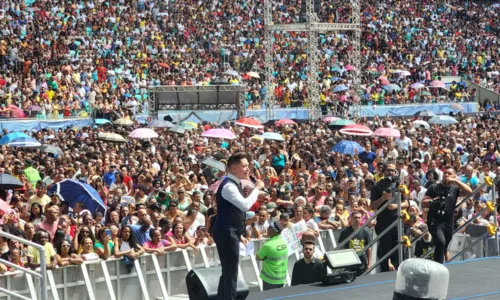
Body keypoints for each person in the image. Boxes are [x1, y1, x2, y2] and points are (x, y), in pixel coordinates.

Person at [213, 152, 265, 300]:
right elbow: (244, 206)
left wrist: (239, 233)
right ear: (234, 169)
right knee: (231, 274)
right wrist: (256, 188)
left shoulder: (235, 183)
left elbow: (233, 212)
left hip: (231, 232)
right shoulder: (229, 186)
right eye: (245, 166)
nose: (248, 169)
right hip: (226, 233)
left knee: (228, 273)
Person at [422, 167, 472, 263]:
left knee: (444, 246)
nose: (446, 175)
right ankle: (438, 267)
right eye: (445, 173)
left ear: (454, 176)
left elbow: (469, 192)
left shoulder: (455, 189)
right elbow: (423, 202)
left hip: (448, 222)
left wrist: (456, 182)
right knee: (441, 242)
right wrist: (433, 201)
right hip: (434, 220)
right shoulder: (434, 187)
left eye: (449, 173)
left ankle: (438, 263)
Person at [370, 162, 408, 272]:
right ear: (383, 171)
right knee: (384, 252)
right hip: (383, 224)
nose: (391, 172)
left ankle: (400, 274)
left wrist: (397, 206)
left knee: (399, 251)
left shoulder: (400, 185)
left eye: (393, 170)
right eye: (388, 170)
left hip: (397, 223)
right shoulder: (377, 186)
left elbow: (407, 204)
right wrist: (383, 198)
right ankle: (384, 276)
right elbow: (372, 206)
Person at [338, 210, 372, 275]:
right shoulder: (345, 232)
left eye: (359, 218)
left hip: (362, 262)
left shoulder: (365, 232)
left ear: (361, 219)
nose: (357, 219)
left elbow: (369, 248)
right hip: (349, 262)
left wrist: (370, 263)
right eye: (355, 218)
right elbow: (340, 247)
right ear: (351, 219)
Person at [256, 221, 288, 290]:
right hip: (281, 278)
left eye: (269, 228)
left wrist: (265, 258)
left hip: (269, 279)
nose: (267, 229)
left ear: (272, 230)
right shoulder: (284, 242)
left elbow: (258, 257)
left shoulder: (268, 245)